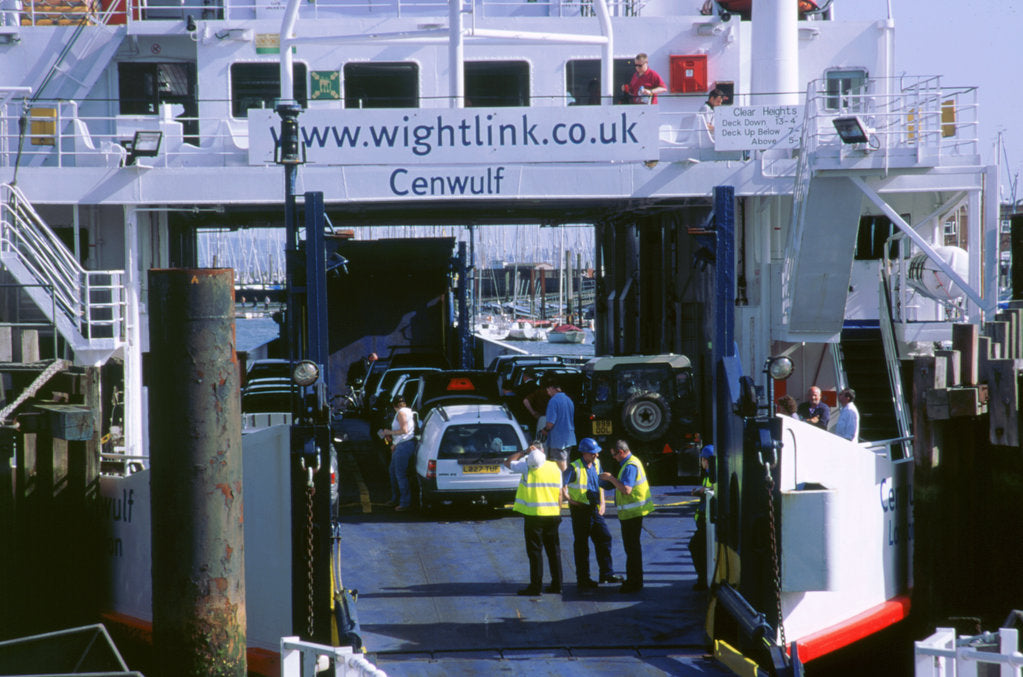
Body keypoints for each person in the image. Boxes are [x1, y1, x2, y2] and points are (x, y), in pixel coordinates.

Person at [563, 438, 621, 590]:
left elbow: (600, 483)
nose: (596, 455)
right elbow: (560, 485)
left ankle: (606, 574)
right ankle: (583, 579)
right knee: (582, 545)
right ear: (584, 453)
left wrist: (602, 503)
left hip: (593, 509)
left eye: (597, 453)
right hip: (580, 510)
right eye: (593, 453)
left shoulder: (596, 464)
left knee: (604, 537)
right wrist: (570, 500)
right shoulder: (574, 467)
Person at [505, 444, 564, 596]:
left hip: (533, 517)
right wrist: (558, 512)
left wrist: (524, 452)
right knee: (554, 551)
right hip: (552, 515)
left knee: (535, 552)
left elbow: (507, 462)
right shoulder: (555, 468)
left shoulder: (527, 467)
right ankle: (558, 585)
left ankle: (535, 587)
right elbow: (559, 494)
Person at [599, 440, 654, 593]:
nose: (614, 458)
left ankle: (634, 582)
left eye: (615, 455)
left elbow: (626, 489)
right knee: (633, 549)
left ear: (621, 452)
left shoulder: (630, 466)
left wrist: (610, 478)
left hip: (632, 514)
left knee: (632, 549)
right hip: (633, 513)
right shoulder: (633, 462)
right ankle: (635, 580)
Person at [378, 395, 415, 512]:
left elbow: (404, 430)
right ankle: (395, 499)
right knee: (393, 471)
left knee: (399, 474)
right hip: (402, 444)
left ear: (394, 406)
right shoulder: (408, 411)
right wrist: (395, 442)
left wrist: (388, 432)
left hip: (403, 446)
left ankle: (404, 502)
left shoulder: (401, 413)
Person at [687, 445, 716, 590]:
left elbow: (714, 490)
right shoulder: (710, 474)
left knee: (695, 547)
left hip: (707, 522)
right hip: (705, 521)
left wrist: (703, 491)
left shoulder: (713, 475)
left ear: (706, 460)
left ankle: (703, 580)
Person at [541, 376, 575, 471]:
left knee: (560, 464)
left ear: (551, 388)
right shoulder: (569, 400)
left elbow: (550, 423)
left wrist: (545, 430)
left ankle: (564, 484)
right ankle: (566, 483)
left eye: (547, 389)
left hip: (558, 439)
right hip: (569, 438)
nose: (547, 392)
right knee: (566, 461)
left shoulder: (553, 401)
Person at [521, 374, 552, 439]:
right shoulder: (559, 395)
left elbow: (526, 401)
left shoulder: (538, 392)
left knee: (540, 440)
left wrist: (533, 413)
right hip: (553, 420)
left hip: (541, 419)